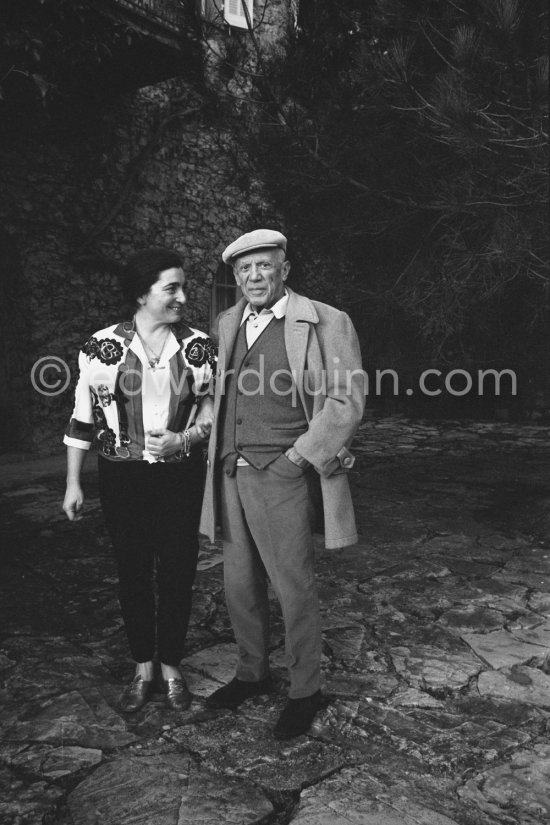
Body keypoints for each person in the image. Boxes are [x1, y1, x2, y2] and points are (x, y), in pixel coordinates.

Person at [200, 229, 365, 739]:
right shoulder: (227, 322)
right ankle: (251, 673)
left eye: (264, 267)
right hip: (230, 469)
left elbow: (345, 399)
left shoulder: (325, 320)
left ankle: (305, 690)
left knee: (293, 585)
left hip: (283, 471)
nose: (254, 277)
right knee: (239, 583)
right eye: (245, 270)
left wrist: (300, 456)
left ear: (284, 269)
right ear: (236, 277)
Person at [62, 247, 216, 713]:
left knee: (177, 569)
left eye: (183, 287)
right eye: (172, 288)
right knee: (131, 569)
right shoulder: (101, 346)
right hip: (121, 476)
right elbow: (81, 419)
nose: (182, 297)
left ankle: (171, 664)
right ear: (141, 293)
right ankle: (142, 665)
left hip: (180, 477)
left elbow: (211, 411)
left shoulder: (199, 346)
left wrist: (184, 438)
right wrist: (73, 482)